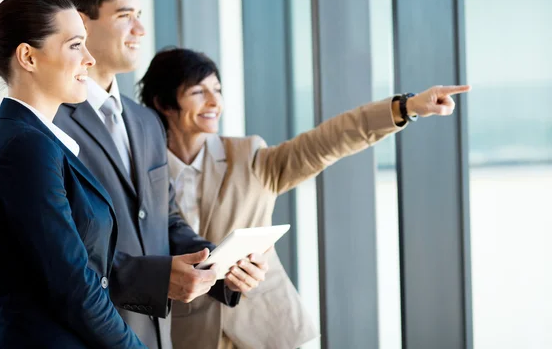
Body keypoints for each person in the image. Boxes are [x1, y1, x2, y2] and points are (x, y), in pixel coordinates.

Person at [137, 47, 472, 349]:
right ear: (164, 103)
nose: (214, 103)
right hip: (188, 335)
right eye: (198, 92)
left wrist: (406, 107)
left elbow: (328, 141)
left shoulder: (248, 156)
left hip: (264, 330)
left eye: (218, 90)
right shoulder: (143, 173)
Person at [51, 0, 268, 348]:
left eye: (140, 15)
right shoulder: (51, 124)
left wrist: (219, 263)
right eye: (125, 16)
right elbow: (57, 251)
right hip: (85, 335)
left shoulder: (147, 122)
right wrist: (154, 277)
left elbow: (164, 220)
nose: (141, 29)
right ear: (80, 24)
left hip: (153, 335)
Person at [0, 0, 145, 348]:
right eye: (76, 45)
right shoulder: (24, 147)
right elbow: (73, 286)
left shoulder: (35, 140)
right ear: (28, 57)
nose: (90, 59)